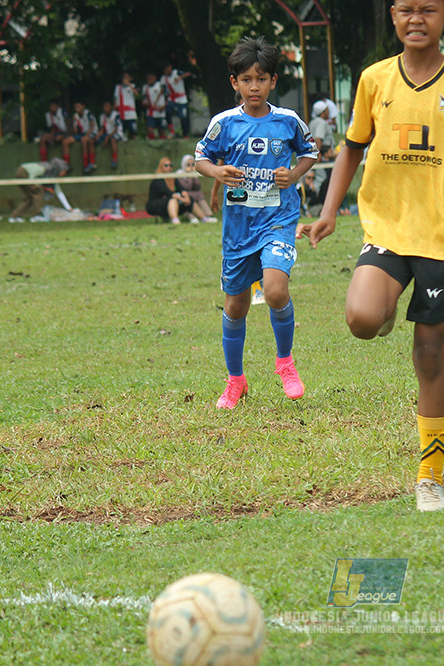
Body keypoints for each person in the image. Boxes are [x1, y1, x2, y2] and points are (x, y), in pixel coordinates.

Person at [297, 0, 444, 513]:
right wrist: (328, 211)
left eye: (427, 9)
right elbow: (351, 148)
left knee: (430, 353)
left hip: (441, 232)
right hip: (385, 224)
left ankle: (429, 477)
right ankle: (385, 308)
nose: (416, 19)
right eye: (406, 9)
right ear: (392, 15)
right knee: (362, 320)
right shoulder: (374, 79)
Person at [195, 36, 318, 410]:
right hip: (238, 228)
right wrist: (217, 172)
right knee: (236, 305)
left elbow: (310, 152)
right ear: (235, 83)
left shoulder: (287, 121)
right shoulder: (224, 123)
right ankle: (235, 381)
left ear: (273, 81)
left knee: (276, 290)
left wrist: (292, 174)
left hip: (278, 219)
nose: (254, 87)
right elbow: (201, 159)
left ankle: (285, 363)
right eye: (246, 79)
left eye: (261, 79)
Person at [145, 157, 199, 224]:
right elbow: (169, 192)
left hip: (171, 201)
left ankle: (204, 218)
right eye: (166, 165)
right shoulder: (158, 179)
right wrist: (183, 199)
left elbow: (181, 189)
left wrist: (187, 197)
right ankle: (175, 220)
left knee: (190, 199)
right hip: (156, 204)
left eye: (170, 165)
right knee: (173, 200)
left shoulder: (172, 177)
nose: (169, 167)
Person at [176, 154, 217, 222]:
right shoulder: (179, 174)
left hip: (194, 194)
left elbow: (197, 186)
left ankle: (208, 215)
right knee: (189, 197)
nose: (191, 166)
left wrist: (193, 175)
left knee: (199, 194)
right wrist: (189, 175)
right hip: (184, 195)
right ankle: (191, 217)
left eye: (192, 164)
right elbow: (186, 187)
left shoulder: (194, 173)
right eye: (188, 165)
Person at [308, 99, 336, 196]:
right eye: (327, 110)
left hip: (312, 154)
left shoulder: (312, 122)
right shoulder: (322, 123)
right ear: (323, 112)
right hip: (324, 156)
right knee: (324, 180)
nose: (329, 112)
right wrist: (318, 154)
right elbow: (318, 138)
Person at [163, 64, 192, 137]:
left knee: (183, 117)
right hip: (172, 98)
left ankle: (185, 134)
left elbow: (188, 73)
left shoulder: (177, 72)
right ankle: (171, 130)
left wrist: (179, 77)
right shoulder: (165, 78)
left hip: (182, 99)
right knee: (167, 111)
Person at [71, 101, 98, 173]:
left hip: (92, 132)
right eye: (75, 107)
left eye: (78, 107)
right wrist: (74, 122)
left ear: (83, 107)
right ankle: (67, 165)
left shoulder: (88, 113)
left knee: (84, 140)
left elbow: (92, 126)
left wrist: (87, 135)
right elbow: (75, 131)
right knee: (67, 140)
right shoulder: (76, 116)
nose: (76, 109)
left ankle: (88, 163)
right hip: (83, 133)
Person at [97, 100, 123, 169]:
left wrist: (108, 137)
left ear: (111, 107)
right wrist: (98, 135)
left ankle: (114, 160)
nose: (105, 108)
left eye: (107, 106)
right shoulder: (102, 116)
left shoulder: (116, 115)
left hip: (117, 133)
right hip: (107, 134)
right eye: (104, 106)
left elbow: (116, 128)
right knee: (94, 140)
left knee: (112, 140)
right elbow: (102, 128)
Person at [143, 72, 170, 140]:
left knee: (161, 130)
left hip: (160, 111)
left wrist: (164, 106)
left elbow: (168, 97)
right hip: (151, 111)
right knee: (150, 129)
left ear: (155, 78)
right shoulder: (145, 88)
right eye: (148, 79)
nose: (149, 80)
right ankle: (152, 141)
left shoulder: (160, 86)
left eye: (151, 78)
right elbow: (144, 99)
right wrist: (145, 103)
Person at [114, 72, 139, 140]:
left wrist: (129, 85)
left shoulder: (133, 86)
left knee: (133, 132)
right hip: (121, 113)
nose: (125, 79)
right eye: (124, 77)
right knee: (122, 131)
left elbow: (137, 94)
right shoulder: (118, 87)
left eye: (127, 77)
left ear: (130, 78)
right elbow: (115, 99)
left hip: (130, 114)